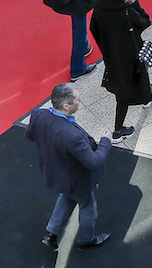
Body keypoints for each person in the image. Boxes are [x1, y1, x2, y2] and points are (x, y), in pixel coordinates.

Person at [25, 83, 111, 251]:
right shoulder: (71, 136)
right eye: (77, 100)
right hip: (78, 180)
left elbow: (30, 135)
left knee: (66, 197)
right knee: (88, 208)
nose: (80, 101)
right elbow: (94, 161)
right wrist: (105, 142)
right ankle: (86, 240)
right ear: (66, 106)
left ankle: (51, 233)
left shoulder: (38, 115)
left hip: (56, 174)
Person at [89, 0, 152, 142]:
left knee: (128, 82)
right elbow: (145, 21)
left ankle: (147, 96)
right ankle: (117, 131)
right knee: (125, 91)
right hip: (130, 52)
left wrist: (105, 48)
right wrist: (134, 3)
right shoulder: (126, 10)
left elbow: (93, 28)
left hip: (112, 55)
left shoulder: (99, 5)